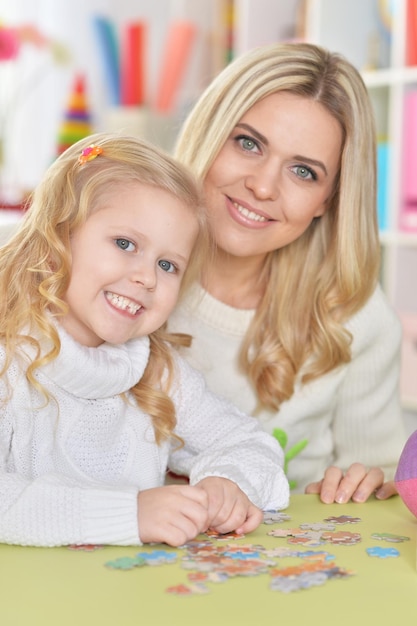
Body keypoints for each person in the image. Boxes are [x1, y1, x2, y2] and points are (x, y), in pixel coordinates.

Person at [0, 133, 289, 548]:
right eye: (125, 244)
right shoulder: (9, 361)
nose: (147, 277)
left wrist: (228, 482)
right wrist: (129, 514)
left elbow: (248, 443)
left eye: (168, 264)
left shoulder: (159, 371)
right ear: (57, 240)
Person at [168, 41, 407, 504]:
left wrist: (368, 485)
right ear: (209, 134)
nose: (262, 185)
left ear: (328, 202)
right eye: (248, 143)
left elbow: (386, 481)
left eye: (303, 171)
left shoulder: (356, 320)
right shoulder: (121, 279)